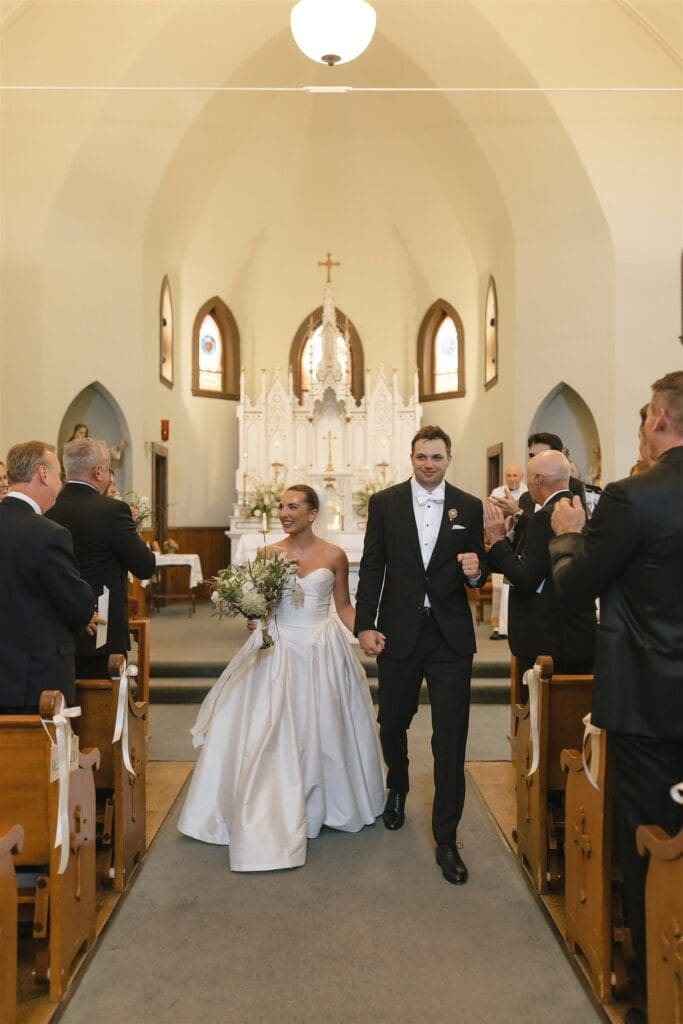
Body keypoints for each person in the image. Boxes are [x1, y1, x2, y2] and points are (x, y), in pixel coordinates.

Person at [550, 371, 683, 1024]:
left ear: (659, 419)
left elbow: (575, 588)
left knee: (647, 839)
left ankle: (653, 989)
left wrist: (568, 533)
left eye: (641, 421)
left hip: (651, 703)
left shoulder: (632, 499)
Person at [178, 484, 385, 872]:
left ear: (312, 513)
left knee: (323, 726)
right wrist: (253, 616)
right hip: (278, 647)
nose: (285, 513)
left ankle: (328, 801)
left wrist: (365, 633)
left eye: (293, 506)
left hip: (321, 649)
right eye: (281, 506)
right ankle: (269, 802)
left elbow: (343, 607)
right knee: (270, 727)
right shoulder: (266, 554)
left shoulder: (335, 555)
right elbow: (261, 607)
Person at [355, 425, 486, 886]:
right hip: (399, 631)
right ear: (410, 458)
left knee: (450, 738)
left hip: (450, 637)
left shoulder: (468, 506)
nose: (428, 464)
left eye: (436, 457)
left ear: (449, 459)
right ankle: (398, 785)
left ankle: (447, 838)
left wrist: (475, 573)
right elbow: (373, 565)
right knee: (392, 720)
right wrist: (366, 624)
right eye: (421, 457)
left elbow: (476, 567)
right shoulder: (385, 503)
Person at [47, 437, 155, 678]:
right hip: (101, 632)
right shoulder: (112, 511)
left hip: (58, 631)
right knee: (107, 708)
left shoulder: (48, 509)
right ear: (98, 471)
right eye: (106, 469)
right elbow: (145, 566)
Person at [0, 441, 95, 711]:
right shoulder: (48, 533)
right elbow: (79, 604)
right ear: (43, 474)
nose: (60, 483)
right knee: (45, 753)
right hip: (37, 680)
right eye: (58, 475)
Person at [484, 450, 596, 676]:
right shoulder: (576, 510)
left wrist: (497, 541)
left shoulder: (545, 517)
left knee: (543, 710)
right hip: (576, 636)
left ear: (538, 480)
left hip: (549, 637)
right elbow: (542, 558)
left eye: (526, 477)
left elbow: (525, 578)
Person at [488, 463, 527, 640]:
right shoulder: (497, 493)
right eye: (509, 475)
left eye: (515, 475)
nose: (512, 479)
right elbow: (490, 514)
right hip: (502, 540)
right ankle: (499, 626)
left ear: (522, 476)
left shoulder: (527, 493)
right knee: (499, 587)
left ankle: (512, 626)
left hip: (520, 542)